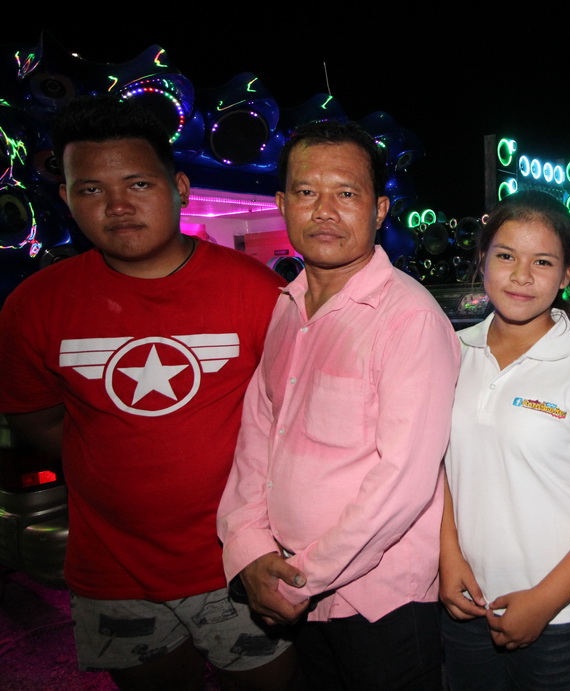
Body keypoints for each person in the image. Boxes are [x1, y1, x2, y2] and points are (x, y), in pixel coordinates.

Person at [0, 96, 295, 689]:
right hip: (113, 570)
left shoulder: (257, 290)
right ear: (66, 198)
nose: (117, 206)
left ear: (179, 187)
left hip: (243, 558)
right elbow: (36, 417)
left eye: (138, 183)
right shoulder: (34, 305)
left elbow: (290, 414)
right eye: (91, 189)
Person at [217, 119, 460, 689]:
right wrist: (248, 549)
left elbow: (404, 480)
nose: (324, 211)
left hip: (379, 605)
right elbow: (259, 436)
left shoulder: (408, 319)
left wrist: (300, 576)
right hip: (292, 585)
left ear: (379, 210)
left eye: (346, 194)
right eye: (307, 192)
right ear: (282, 205)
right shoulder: (288, 306)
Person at [438, 191, 570, 690]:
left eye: (543, 262)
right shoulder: (450, 353)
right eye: (506, 256)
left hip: (564, 614)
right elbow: (439, 468)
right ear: (482, 259)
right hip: (467, 600)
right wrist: (448, 558)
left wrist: (544, 602)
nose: (522, 275)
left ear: (567, 274)